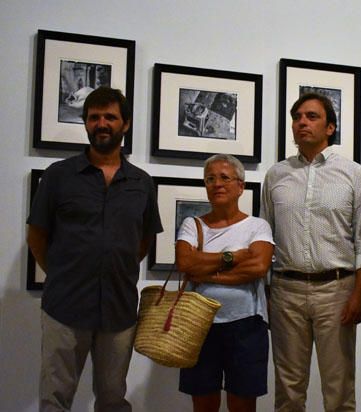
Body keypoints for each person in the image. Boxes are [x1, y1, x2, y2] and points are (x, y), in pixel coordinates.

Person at [26, 87, 163, 411]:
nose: (102, 123)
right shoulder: (59, 176)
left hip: (119, 308)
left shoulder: (142, 183)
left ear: (125, 124)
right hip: (65, 305)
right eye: (94, 117)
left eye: (110, 117)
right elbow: (37, 238)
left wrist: (111, 267)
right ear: (86, 123)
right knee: (55, 398)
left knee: (113, 400)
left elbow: (142, 242)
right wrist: (66, 273)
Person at [262, 92, 361, 412]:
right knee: (288, 387)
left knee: (338, 387)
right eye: (297, 117)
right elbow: (265, 235)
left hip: (337, 289)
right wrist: (267, 291)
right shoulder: (276, 176)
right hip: (286, 290)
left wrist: (360, 293)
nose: (302, 122)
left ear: (330, 127)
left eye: (311, 116)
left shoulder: (354, 174)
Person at [175, 154, 274, 412]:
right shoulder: (192, 224)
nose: (216, 184)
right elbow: (186, 263)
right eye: (210, 179)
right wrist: (232, 257)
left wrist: (206, 270)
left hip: (247, 326)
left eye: (224, 178)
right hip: (199, 326)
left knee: (242, 404)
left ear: (240, 186)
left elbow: (258, 267)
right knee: (203, 403)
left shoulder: (257, 226)